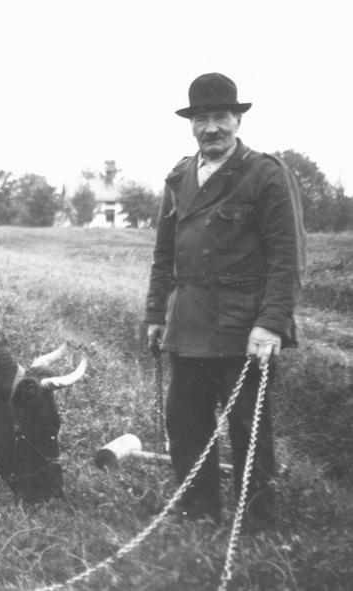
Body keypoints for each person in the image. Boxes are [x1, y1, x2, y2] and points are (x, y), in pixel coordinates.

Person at [144, 72, 304, 532]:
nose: (211, 127)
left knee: (248, 432)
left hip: (244, 329)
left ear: (237, 119)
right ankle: (199, 511)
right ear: (191, 125)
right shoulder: (178, 177)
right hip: (189, 325)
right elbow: (163, 254)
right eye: (201, 119)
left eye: (220, 117)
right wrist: (156, 312)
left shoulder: (266, 175)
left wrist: (271, 323)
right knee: (186, 423)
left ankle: (257, 522)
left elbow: (287, 256)